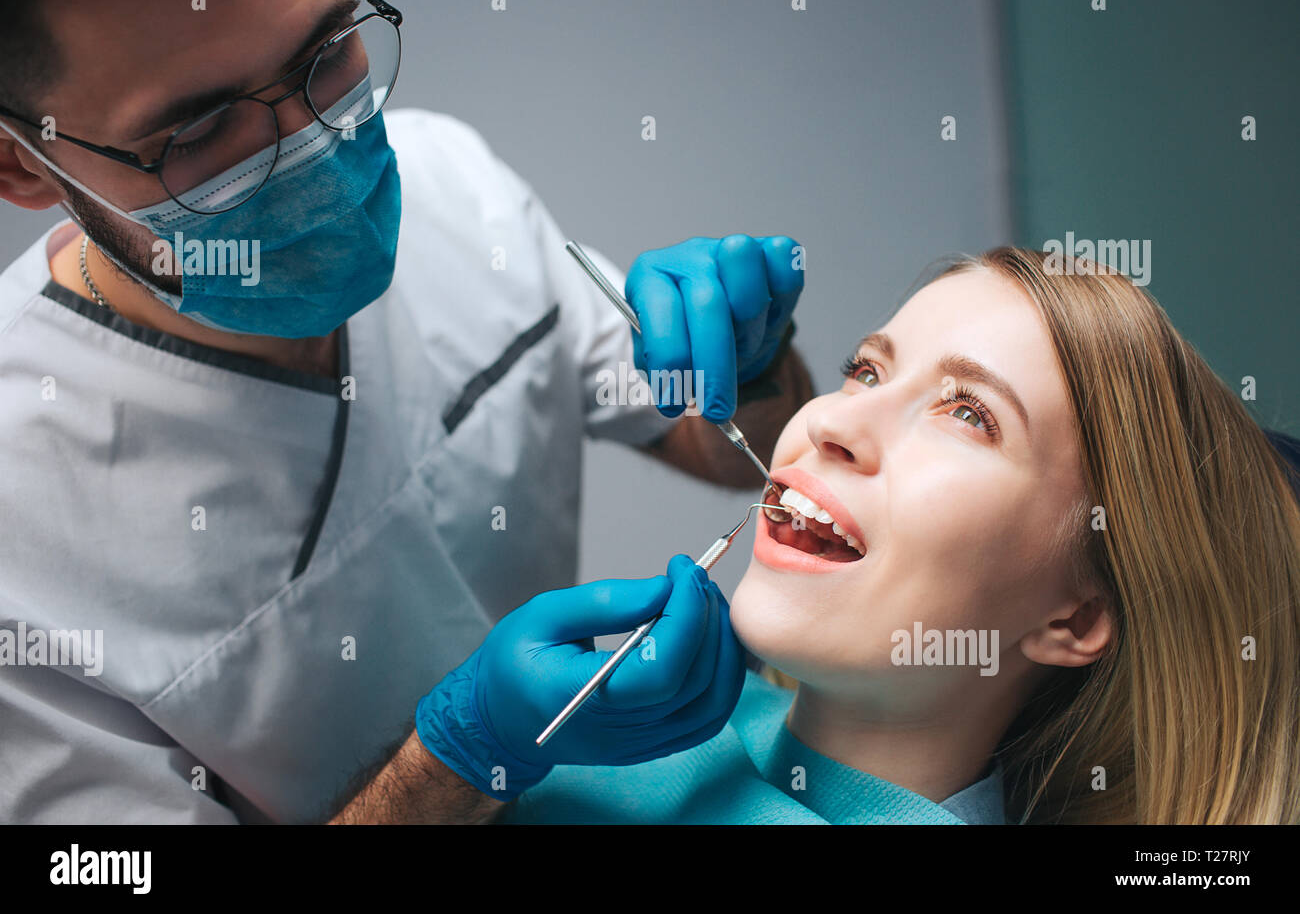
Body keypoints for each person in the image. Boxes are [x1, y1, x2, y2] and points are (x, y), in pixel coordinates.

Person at [0, 0, 814, 823]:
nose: (318, 150)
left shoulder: (458, 187)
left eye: (327, 52)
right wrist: (467, 754)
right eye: (198, 133)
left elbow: (722, 449)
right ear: (20, 165)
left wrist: (751, 365)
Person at [401, 247, 1298, 824]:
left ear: (1074, 617)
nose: (832, 420)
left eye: (970, 414)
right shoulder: (606, 745)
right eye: (866, 370)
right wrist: (462, 757)